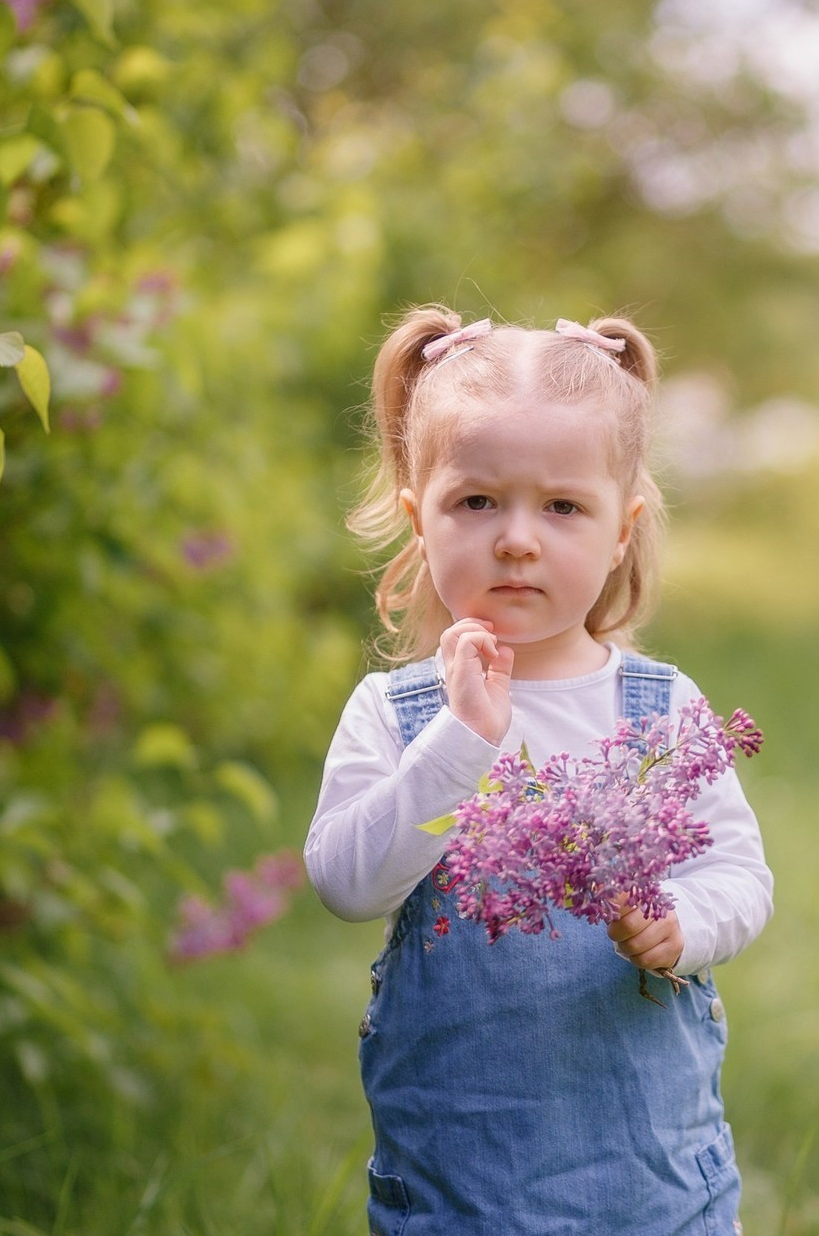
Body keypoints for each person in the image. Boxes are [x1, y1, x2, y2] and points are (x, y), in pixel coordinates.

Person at [305, 306, 773, 1236]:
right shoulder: (397, 716)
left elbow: (739, 872)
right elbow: (345, 883)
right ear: (419, 516)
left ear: (619, 529)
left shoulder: (660, 707)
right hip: (458, 1186)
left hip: (653, 1181)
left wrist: (686, 926)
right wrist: (460, 742)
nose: (517, 538)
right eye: (476, 501)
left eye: (562, 507)